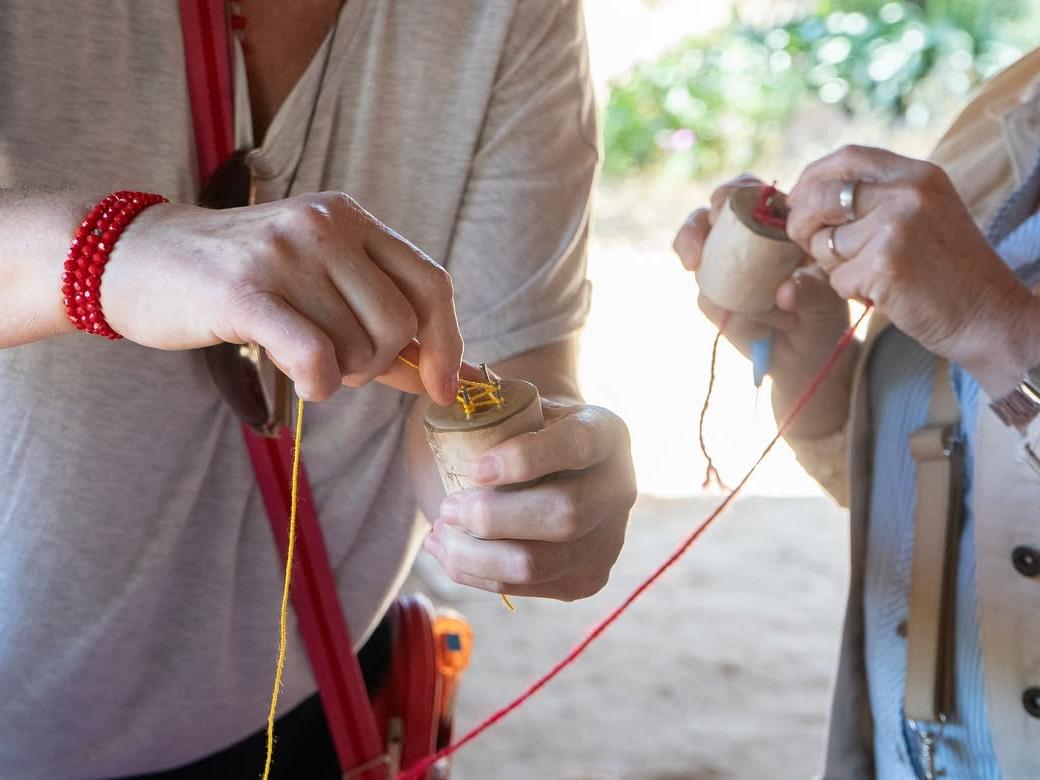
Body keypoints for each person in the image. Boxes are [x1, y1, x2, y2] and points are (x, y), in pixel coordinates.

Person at [0, 2, 636, 777]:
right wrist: (106, 253)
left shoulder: (509, 15)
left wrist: (523, 485)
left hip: (317, 702)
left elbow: (504, 365)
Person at [674, 50, 1040, 778]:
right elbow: (954, 477)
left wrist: (1000, 331)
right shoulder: (1012, 105)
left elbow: (993, 345)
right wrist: (822, 377)